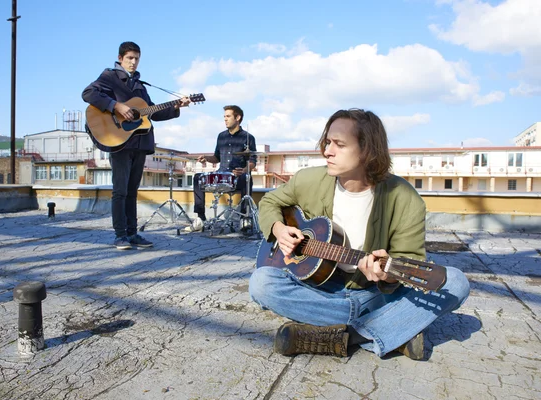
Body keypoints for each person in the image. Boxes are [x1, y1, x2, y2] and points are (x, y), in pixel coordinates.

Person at [248, 108, 470, 360]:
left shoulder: (405, 198)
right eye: (327, 142)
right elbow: (269, 203)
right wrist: (279, 229)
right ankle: (393, 331)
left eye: (339, 144)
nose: (327, 151)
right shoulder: (308, 180)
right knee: (261, 282)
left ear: (367, 150)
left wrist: (387, 277)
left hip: (375, 295)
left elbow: (408, 261)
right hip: (319, 290)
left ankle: (345, 337)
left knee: (455, 283)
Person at [82, 41, 190, 250]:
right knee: (120, 190)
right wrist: (116, 106)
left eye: (137, 59)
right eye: (130, 58)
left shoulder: (140, 86)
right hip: (119, 141)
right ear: (121, 58)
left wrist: (176, 107)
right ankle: (120, 235)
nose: (133, 62)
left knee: (132, 191)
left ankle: (132, 233)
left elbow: (152, 113)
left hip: (140, 142)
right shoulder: (109, 76)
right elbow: (88, 93)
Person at [189, 105, 257, 228]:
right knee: (197, 177)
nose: (225, 119)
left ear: (238, 117)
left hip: (237, 177)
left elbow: (252, 161)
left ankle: (245, 218)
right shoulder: (221, 136)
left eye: (228, 116)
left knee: (247, 178)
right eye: (224, 116)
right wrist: (206, 158)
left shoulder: (248, 137)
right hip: (221, 175)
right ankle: (200, 217)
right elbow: (216, 158)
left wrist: (244, 170)